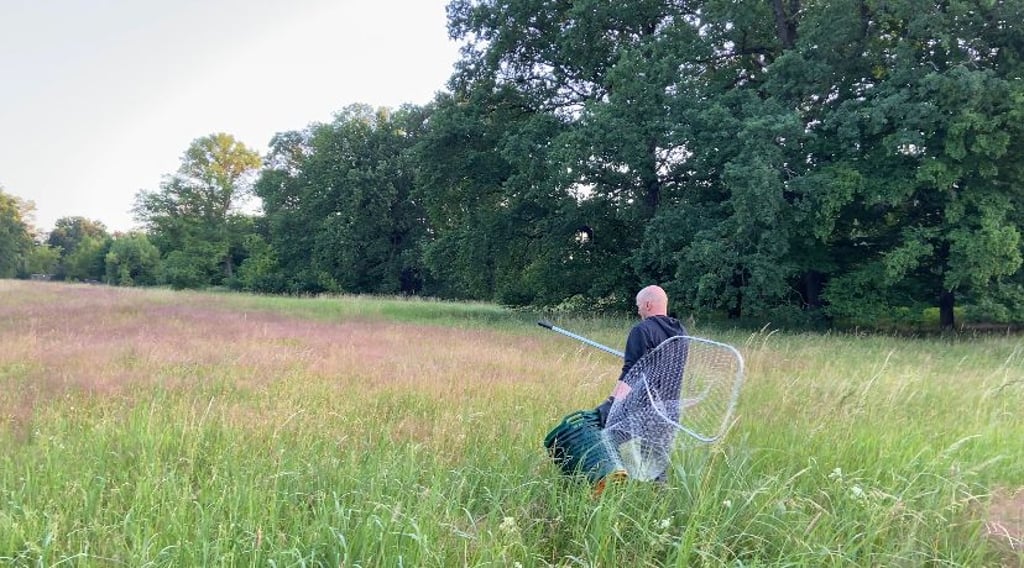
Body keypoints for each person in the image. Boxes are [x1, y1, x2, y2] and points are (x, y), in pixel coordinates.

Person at [594, 284, 687, 427]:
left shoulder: (642, 330)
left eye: (639, 306)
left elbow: (631, 372)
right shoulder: (680, 332)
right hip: (669, 413)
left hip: (641, 412)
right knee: (655, 450)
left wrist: (611, 402)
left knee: (610, 444)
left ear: (648, 305)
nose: (638, 310)